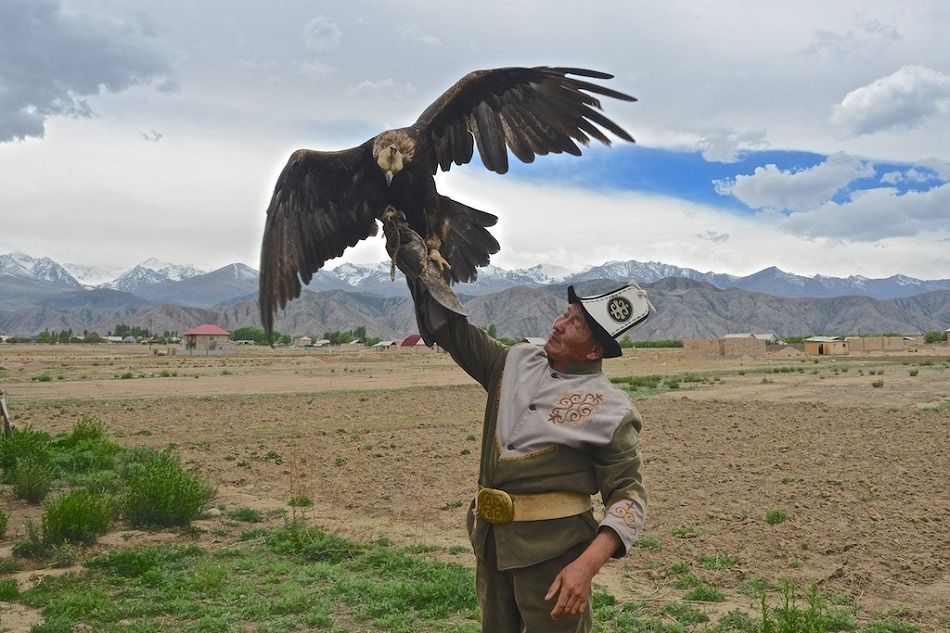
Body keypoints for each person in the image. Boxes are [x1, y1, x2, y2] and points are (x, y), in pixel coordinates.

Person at [384, 213, 651, 632]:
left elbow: (628, 499)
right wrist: (419, 270)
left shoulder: (611, 410)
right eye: (565, 314)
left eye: (576, 324)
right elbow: (455, 332)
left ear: (595, 351)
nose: (559, 324)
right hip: (491, 544)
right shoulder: (514, 361)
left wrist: (585, 567)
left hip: (556, 557)